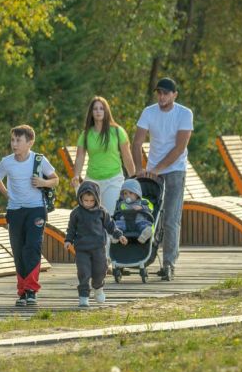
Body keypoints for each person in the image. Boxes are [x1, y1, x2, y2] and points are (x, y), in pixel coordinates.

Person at [0, 124, 59, 307]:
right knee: (18, 250)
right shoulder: (7, 162)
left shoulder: (39, 159)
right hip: (15, 210)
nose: (14, 144)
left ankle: (31, 291)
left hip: (36, 209)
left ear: (30, 142)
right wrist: (6, 194)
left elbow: (56, 180)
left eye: (18, 140)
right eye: (12, 140)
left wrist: (43, 182)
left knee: (33, 247)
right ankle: (22, 292)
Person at [132, 77, 193, 280]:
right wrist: (139, 169)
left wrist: (158, 169)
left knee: (170, 219)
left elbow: (179, 147)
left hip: (175, 169)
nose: (162, 96)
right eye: (159, 93)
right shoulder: (149, 112)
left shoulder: (184, 114)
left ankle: (169, 264)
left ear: (174, 95)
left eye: (166, 93)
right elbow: (137, 142)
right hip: (152, 172)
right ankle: (145, 259)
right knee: (150, 216)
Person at [64, 181, 126, 308]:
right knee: (83, 272)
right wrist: (68, 240)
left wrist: (119, 235)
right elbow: (71, 229)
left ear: (96, 199)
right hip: (82, 249)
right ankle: (83, 297)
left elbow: (110, 226)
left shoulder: (101, 212)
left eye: (91, 200)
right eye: (85, 200)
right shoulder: (76, 213)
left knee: (100, 271)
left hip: (98, 248)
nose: (88, 203)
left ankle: (98, 288)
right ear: (80, 198)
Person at [71, 96, 136, 213]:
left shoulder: (117, 131)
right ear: (91, 112)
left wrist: (133, 178)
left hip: (113, 180)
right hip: (92, 181)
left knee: (109, 215)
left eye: (101, 108)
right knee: (91, 217)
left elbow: (127, 156)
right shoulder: (85, 134)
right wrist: (76, 175)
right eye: (95, 109)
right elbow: (80, 157)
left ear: (106, 111)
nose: (98, 111)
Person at [113, 178, 153, 244]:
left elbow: (151, 209)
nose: (128, 195)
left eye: (130, 193)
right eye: (125, 193)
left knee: (145, 225)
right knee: (117, 225)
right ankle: (115, 236)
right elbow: (117, 214)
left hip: (139, 221)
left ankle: (144, 235)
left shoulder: (143, 202)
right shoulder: (122, 204)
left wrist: (141, 208)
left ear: (137, 194)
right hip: (125, 222)